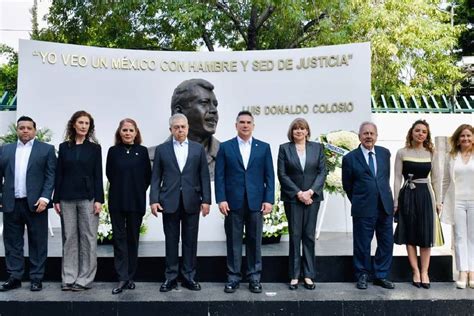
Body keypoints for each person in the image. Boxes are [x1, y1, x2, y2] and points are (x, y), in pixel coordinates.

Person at [215, 110, 275, 294]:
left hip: (256, 202)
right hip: (233, 202)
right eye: (242, 122)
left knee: (254, 241)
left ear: (253, 126)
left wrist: (269, 200)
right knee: (233, 242)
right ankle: (233, 278)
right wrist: (221, 199)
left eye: (249, 122)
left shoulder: (263, 148)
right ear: (236, 125)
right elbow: (220, 176)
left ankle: (254, 278)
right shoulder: (225, 147)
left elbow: (269, 176)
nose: (245, 125)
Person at [150, 113, 211, 292]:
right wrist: (153, 200)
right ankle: (170, 277)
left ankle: (189, 277)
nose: (180, 130)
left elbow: (204, 176)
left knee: (190, 242)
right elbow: (156, 178)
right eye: (176, 127)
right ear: (171, 130)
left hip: (192, 201)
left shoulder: (197, 149)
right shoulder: (162, 149)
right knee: (171, 241)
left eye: (183, 126)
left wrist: (206, 200)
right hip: (169, 201)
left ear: (188, 128)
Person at [0, 116, 56, 292]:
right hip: (11, 203)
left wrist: (46, 198)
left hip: (36, 204)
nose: (25, 130)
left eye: (28, 128)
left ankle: (36, 278)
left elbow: (50, 176)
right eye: (22, 128)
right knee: (12, 242)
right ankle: (14, 277)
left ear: (35, 130)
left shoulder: (46, 150)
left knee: (38, 242)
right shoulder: (5, 150)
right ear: (17, 130)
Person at [53, 110, 104, 291]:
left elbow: (98, 175)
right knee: (69, 238)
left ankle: (84, 278)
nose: (83, 126)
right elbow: (59, 174)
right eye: (80, 123)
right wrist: (56, 199)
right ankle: (68, 277)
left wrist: (99, 199)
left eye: (87, 123)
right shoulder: (64, 147)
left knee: (88, 238)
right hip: (66, 198)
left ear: (90, 127)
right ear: (73, 124)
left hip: (88, 198)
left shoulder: (95, 148)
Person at [342, 121, 395, 290]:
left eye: (372, 133)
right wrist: (359, 200)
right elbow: (347, 185)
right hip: (363, 207)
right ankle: (362, 275)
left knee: (386, 243)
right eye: (365, 133)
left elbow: (384, 178)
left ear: (377, 136)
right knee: (362, 244)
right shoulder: (349, 158)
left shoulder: (384, 153)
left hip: (384, 206)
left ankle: (381, 275)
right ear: (359, 136)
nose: (369, 136)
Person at [277, 118, 326, 290]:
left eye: (302, 128)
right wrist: (299, 193)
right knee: (295, 236)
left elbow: (322, 172)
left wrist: (310, 192)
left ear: (307, 131)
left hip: (313, 199)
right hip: (293, 199)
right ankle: (294, 275)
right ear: (291, 132)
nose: (299, 131)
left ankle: (309, 275)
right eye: (296, 128)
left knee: (309, 236)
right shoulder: (284, 149)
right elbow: (282, 175)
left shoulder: (317, 148)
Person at [393, 119, 443, 289]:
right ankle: (415, 271)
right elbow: (397, 178)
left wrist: (438, 201)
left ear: (427, 135)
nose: (420, 134)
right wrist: (395, 200)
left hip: (425, 195)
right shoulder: (401, 152)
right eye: (417, 130)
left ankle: (425, 272)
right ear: (411, 132)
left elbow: (436, 179)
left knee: (425, 234)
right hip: (407, 194)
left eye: (424, 131)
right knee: (410, 233)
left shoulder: (432, 153)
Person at [106, 118, 151, 294]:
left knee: (133, 239)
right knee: (119, 240)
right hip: (117, 201)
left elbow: (147, 176)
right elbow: (109, 173)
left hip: (136, 202)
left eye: (131, 130)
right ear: (120, 132)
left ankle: (130, 276)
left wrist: (137, 191)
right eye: (124, 130)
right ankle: (122, 277)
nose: (127, 133)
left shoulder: (143, 151)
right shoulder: (113, 151)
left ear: (136, 132)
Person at [149, 78, 220, 178]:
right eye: (204, 103)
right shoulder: (151, 158)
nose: (213, 110)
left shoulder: (227, 155)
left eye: (215, 105)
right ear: (178, 111)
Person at [441, 124, 474, 289]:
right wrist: (441, 201)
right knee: (460, 236)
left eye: (469, 135)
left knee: (473, 237)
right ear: (457, 139)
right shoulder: (451, 156)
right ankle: (462, 271)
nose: (466, 139)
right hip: (457, 201)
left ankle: (472, 271)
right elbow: (446, 180)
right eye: (463, 136)